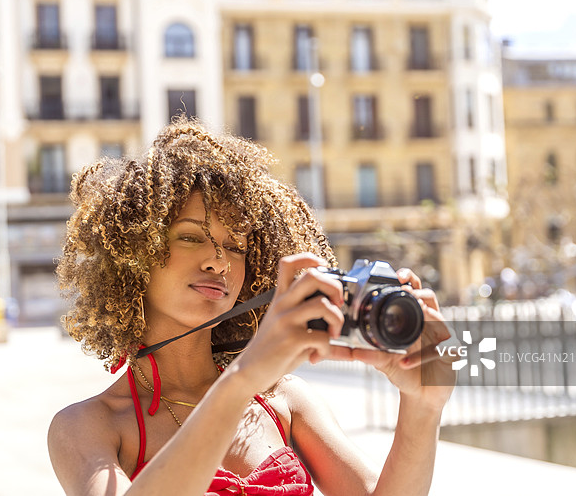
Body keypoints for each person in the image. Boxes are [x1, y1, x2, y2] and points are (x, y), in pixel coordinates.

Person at [48, 118, 457, 496]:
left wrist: (423, 407)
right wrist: (243, 378)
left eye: (235, 246)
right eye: (191, 238)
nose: (219, 261)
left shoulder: (285, 401)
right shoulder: (87, 426)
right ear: (133, 254)